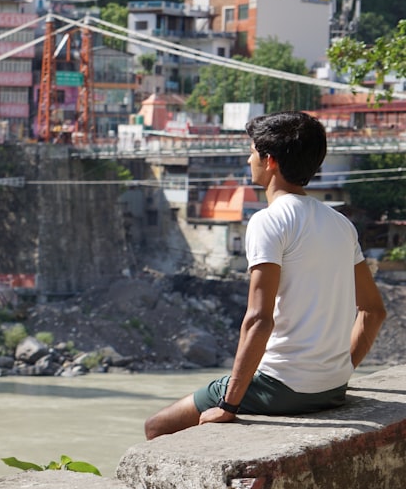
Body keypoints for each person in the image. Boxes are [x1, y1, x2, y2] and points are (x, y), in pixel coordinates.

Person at [144, 111, 387, 440]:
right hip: (332, 389)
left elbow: (259, 319)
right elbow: (373, 311)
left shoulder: (268, 221)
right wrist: (340, 370)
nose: (248, 159)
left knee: (157, 426)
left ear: (269, 160)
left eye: (252, 151)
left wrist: (229, 405)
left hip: (281, 386)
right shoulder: (341, 224)